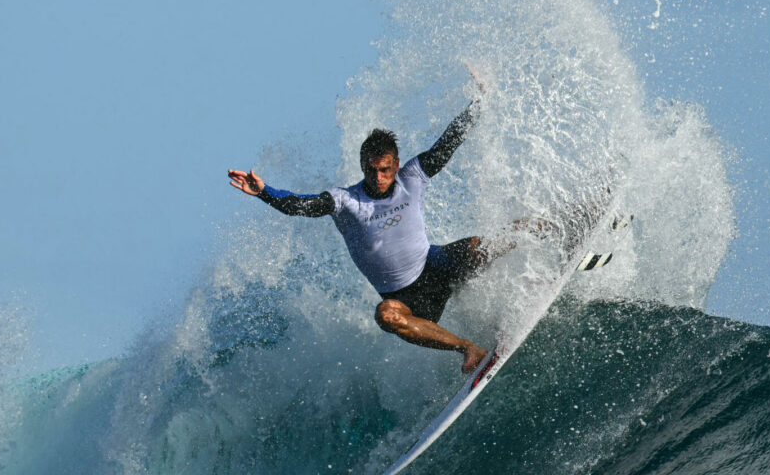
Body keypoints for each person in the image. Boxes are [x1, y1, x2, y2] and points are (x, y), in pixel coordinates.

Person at [228, 79, 542, 374]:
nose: (378, 177)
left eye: (385, 170)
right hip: (407, 300)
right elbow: (301, 205)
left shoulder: (412, 177)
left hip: (436, 266)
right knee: (386, 315)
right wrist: (265, 192)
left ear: (395, 164)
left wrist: (479, 103)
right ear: (363, 166)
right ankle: (468, 348)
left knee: (481, 244)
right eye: (372, 170)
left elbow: (449, 143)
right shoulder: (345, 201)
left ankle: (553, 229)